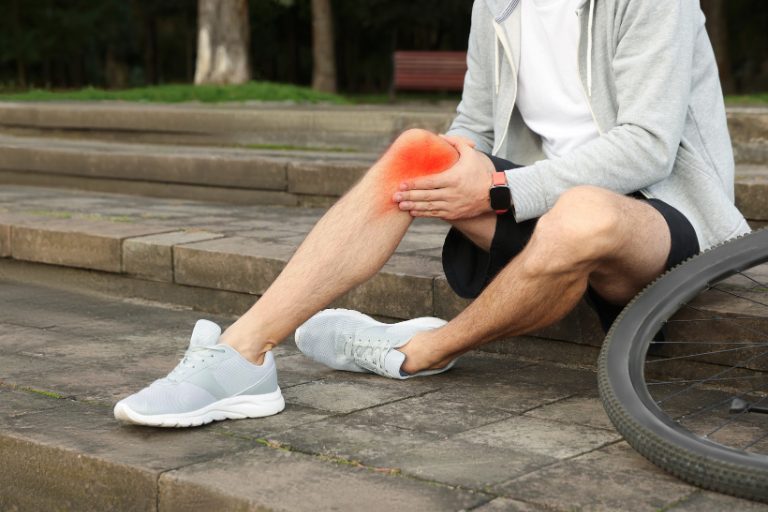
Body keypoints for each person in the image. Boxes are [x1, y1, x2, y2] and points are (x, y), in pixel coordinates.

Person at [113, 0, 750, 427]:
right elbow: (475, 123)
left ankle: (419, 350)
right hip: (542, 202)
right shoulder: (497, 3)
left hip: (664, 217)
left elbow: (646, 144)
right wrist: (452, 165)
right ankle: (241, 353)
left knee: (584, 213)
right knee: (417, 151)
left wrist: (499, 190)